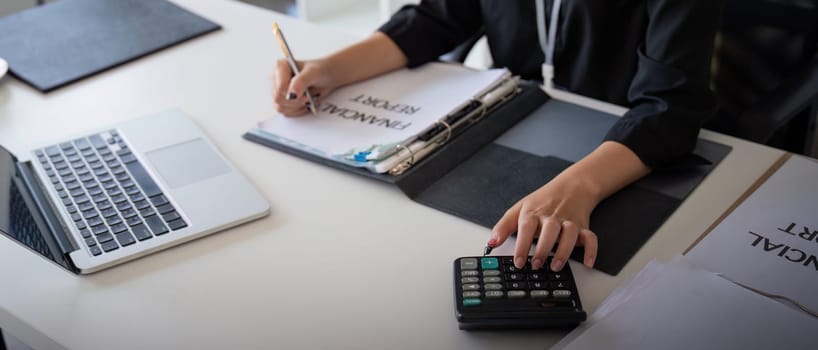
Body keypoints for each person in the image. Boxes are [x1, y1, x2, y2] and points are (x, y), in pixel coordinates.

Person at [272, 0, 723, 272]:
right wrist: (328, 70)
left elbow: (671, 104)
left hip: (624, 145)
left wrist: (578, 187)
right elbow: (436, 20)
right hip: (516, 123)